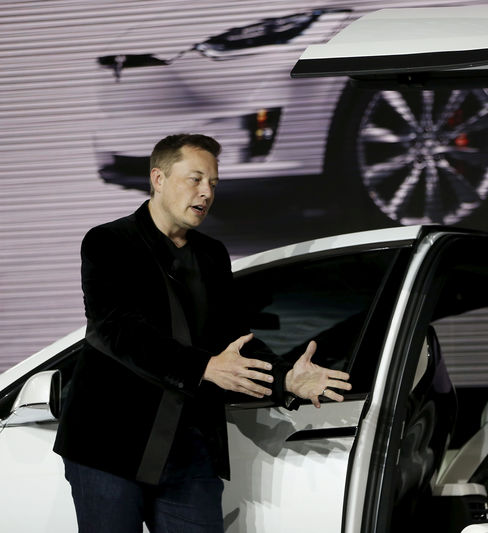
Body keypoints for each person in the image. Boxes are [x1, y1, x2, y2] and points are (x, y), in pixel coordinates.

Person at [53, 133, 351, 532]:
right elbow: (116, 331)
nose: (206, 193)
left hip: (189, 448)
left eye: (213, 183)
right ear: (158, 179)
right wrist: (204, 367)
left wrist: (285, 379)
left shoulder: (211, 255)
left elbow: (233, 339)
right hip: (111, 444)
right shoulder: (109, 242)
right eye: (195, 179)